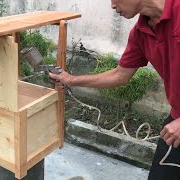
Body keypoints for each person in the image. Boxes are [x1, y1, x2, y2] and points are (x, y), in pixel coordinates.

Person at [49, 0, 180, 179]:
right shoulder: (141, 32)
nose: (112, 5)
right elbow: (120, 75)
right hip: (175, 121)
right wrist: (70, 80)